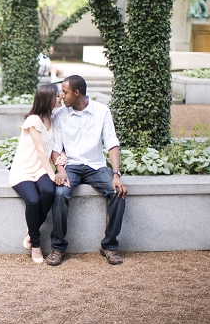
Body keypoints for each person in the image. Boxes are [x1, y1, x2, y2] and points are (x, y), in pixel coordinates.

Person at [47, 74, 128, 266]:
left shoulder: (102, 111)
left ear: (77, 93)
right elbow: (56, 148)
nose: (62, 96)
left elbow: (112, 144)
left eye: (65, 92)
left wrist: (116, 175)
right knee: (59, 193)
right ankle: (57, 248)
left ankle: (109, 245)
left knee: (118, 192)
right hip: (71, 166)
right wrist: (60, 170)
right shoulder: (59, 115)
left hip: (96, 166)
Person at [9, 84, 65, 264]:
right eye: (58, 95)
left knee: (49, 192)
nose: (61, 97)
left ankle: (29, 232)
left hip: (41, 168)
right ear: (48, 99)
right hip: (24, 169)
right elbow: (41, 150)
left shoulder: (54, 118)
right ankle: (35, 244)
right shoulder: (33, 120)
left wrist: (62, 155)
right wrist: (51, 174)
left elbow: (56, 145)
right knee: (32, 200)